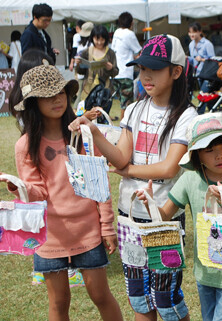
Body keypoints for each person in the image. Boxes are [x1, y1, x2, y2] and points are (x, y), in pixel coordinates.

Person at [69, 34, 197, 321]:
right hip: (129, 216)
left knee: (167, 298)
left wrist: (128, 171)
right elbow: (121, 157)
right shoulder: (134, 109)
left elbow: (168, 168)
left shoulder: (187, 115)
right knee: (139, 297)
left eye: (154, 68)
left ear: (176, 72)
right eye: (142, 68)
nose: (146, 75)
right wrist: (96, 132)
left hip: (164, 215)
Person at [0, 64, 122, 320]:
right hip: (50, 236)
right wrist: (20, 188)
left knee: (100, 295)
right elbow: (39, 191)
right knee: (58, 302)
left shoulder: (84, 136)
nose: (57, 99)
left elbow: (100, 185)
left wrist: (107, 226)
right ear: (33, 103)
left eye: (61, 92)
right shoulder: (25, 145)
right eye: (47, 95)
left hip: (87, 229)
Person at [137, 112, 222, 321]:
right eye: (209, 150)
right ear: (197, 155)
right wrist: (150, 202)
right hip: (204, 272)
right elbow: (164, 215)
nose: (219, 155)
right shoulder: (190, 180)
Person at [75, 24, 118, 103]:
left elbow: (115, 72)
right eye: (96, 39)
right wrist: (79, 64)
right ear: (92, 38)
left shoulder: (110, 53)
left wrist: (111, 68)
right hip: (88, 90)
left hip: (105, 90)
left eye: (102, 40)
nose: (99, 42)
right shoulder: (86, 52)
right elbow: (80, 71)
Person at [112, 11, 142, 120]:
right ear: (131, 23)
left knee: (122, 102)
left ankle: (124, 124)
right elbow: (139, 51)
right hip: (125, 73)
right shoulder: (129, 34)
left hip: (116, 74)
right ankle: (123, 125)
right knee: (127, 104)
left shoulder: (116, 32)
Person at [188, 22, 215, 95]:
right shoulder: (191, 44)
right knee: (205, 96)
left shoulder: (207, 44)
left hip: (207, 74)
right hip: (198, 73)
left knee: (203, 95)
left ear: (200, 32)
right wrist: (187, 58)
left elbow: (213, 61)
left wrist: (202, 59)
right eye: (190, 32)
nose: (191, 34)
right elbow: (193, 60)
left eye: (194, 32)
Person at [72, 21, 94, 109]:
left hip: (79, 72)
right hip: (87, 74)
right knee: (82, 95)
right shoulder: (91, 45)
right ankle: (74, 112)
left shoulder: (80, 44)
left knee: (81, 94)